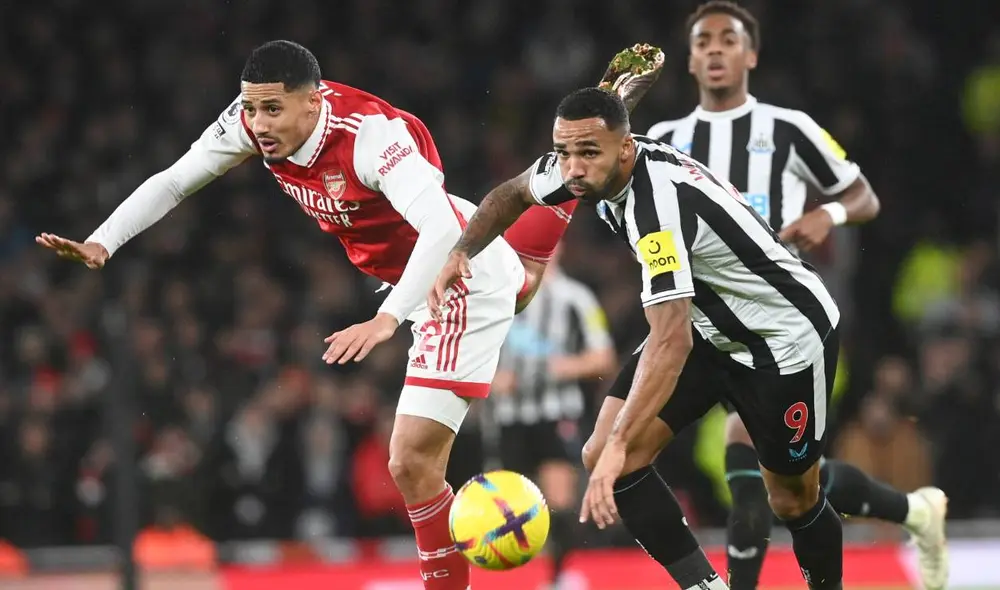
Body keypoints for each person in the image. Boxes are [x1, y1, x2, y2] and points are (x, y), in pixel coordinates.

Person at [35, 40, 578, 590]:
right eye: (250, 109)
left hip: (452, 274)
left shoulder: (370, 137)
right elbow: (176, 179)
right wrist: (103, 241)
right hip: (424, 266)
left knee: (410, 463)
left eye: (272, 110)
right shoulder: (249, 123)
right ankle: (571, 166)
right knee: (518, 283)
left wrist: (387, 319)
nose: (258, 123)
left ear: (314, 102)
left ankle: (572, 163)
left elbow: (440, 231)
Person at [432, 87, 848, 590]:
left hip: (783, 341)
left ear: (625, 150)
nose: (573, 169)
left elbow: (670, 342)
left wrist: (619, 443)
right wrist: (462, 250)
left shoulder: (658, 210)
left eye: (589, 153)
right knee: (604, 454)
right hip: (709, 325)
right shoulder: (582, 166)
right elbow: (510, 195)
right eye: (564, 153)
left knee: (791, 499)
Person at [642, 3, 947, 589]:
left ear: (750, 55)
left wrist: (829, 214)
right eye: (702, 41)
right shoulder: (664, 140)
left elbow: (864, 196)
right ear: (688, 60)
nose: (714, 49)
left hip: (784, 332)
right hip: (705, 333)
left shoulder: (787, 129)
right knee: (786, 482)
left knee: (763, 482)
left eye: (728, 40)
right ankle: (914, 512)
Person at [489, 245, 616, 589]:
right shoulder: (498, 297)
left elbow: (603, 357)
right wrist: (492, 379)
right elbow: (475, 352)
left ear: (557, 248)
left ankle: (557, 578)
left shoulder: (576, 298)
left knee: (558, 501)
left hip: (556, 412)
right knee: (507, 506)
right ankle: (515, 578)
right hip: (508, 416)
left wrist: (559, 367)